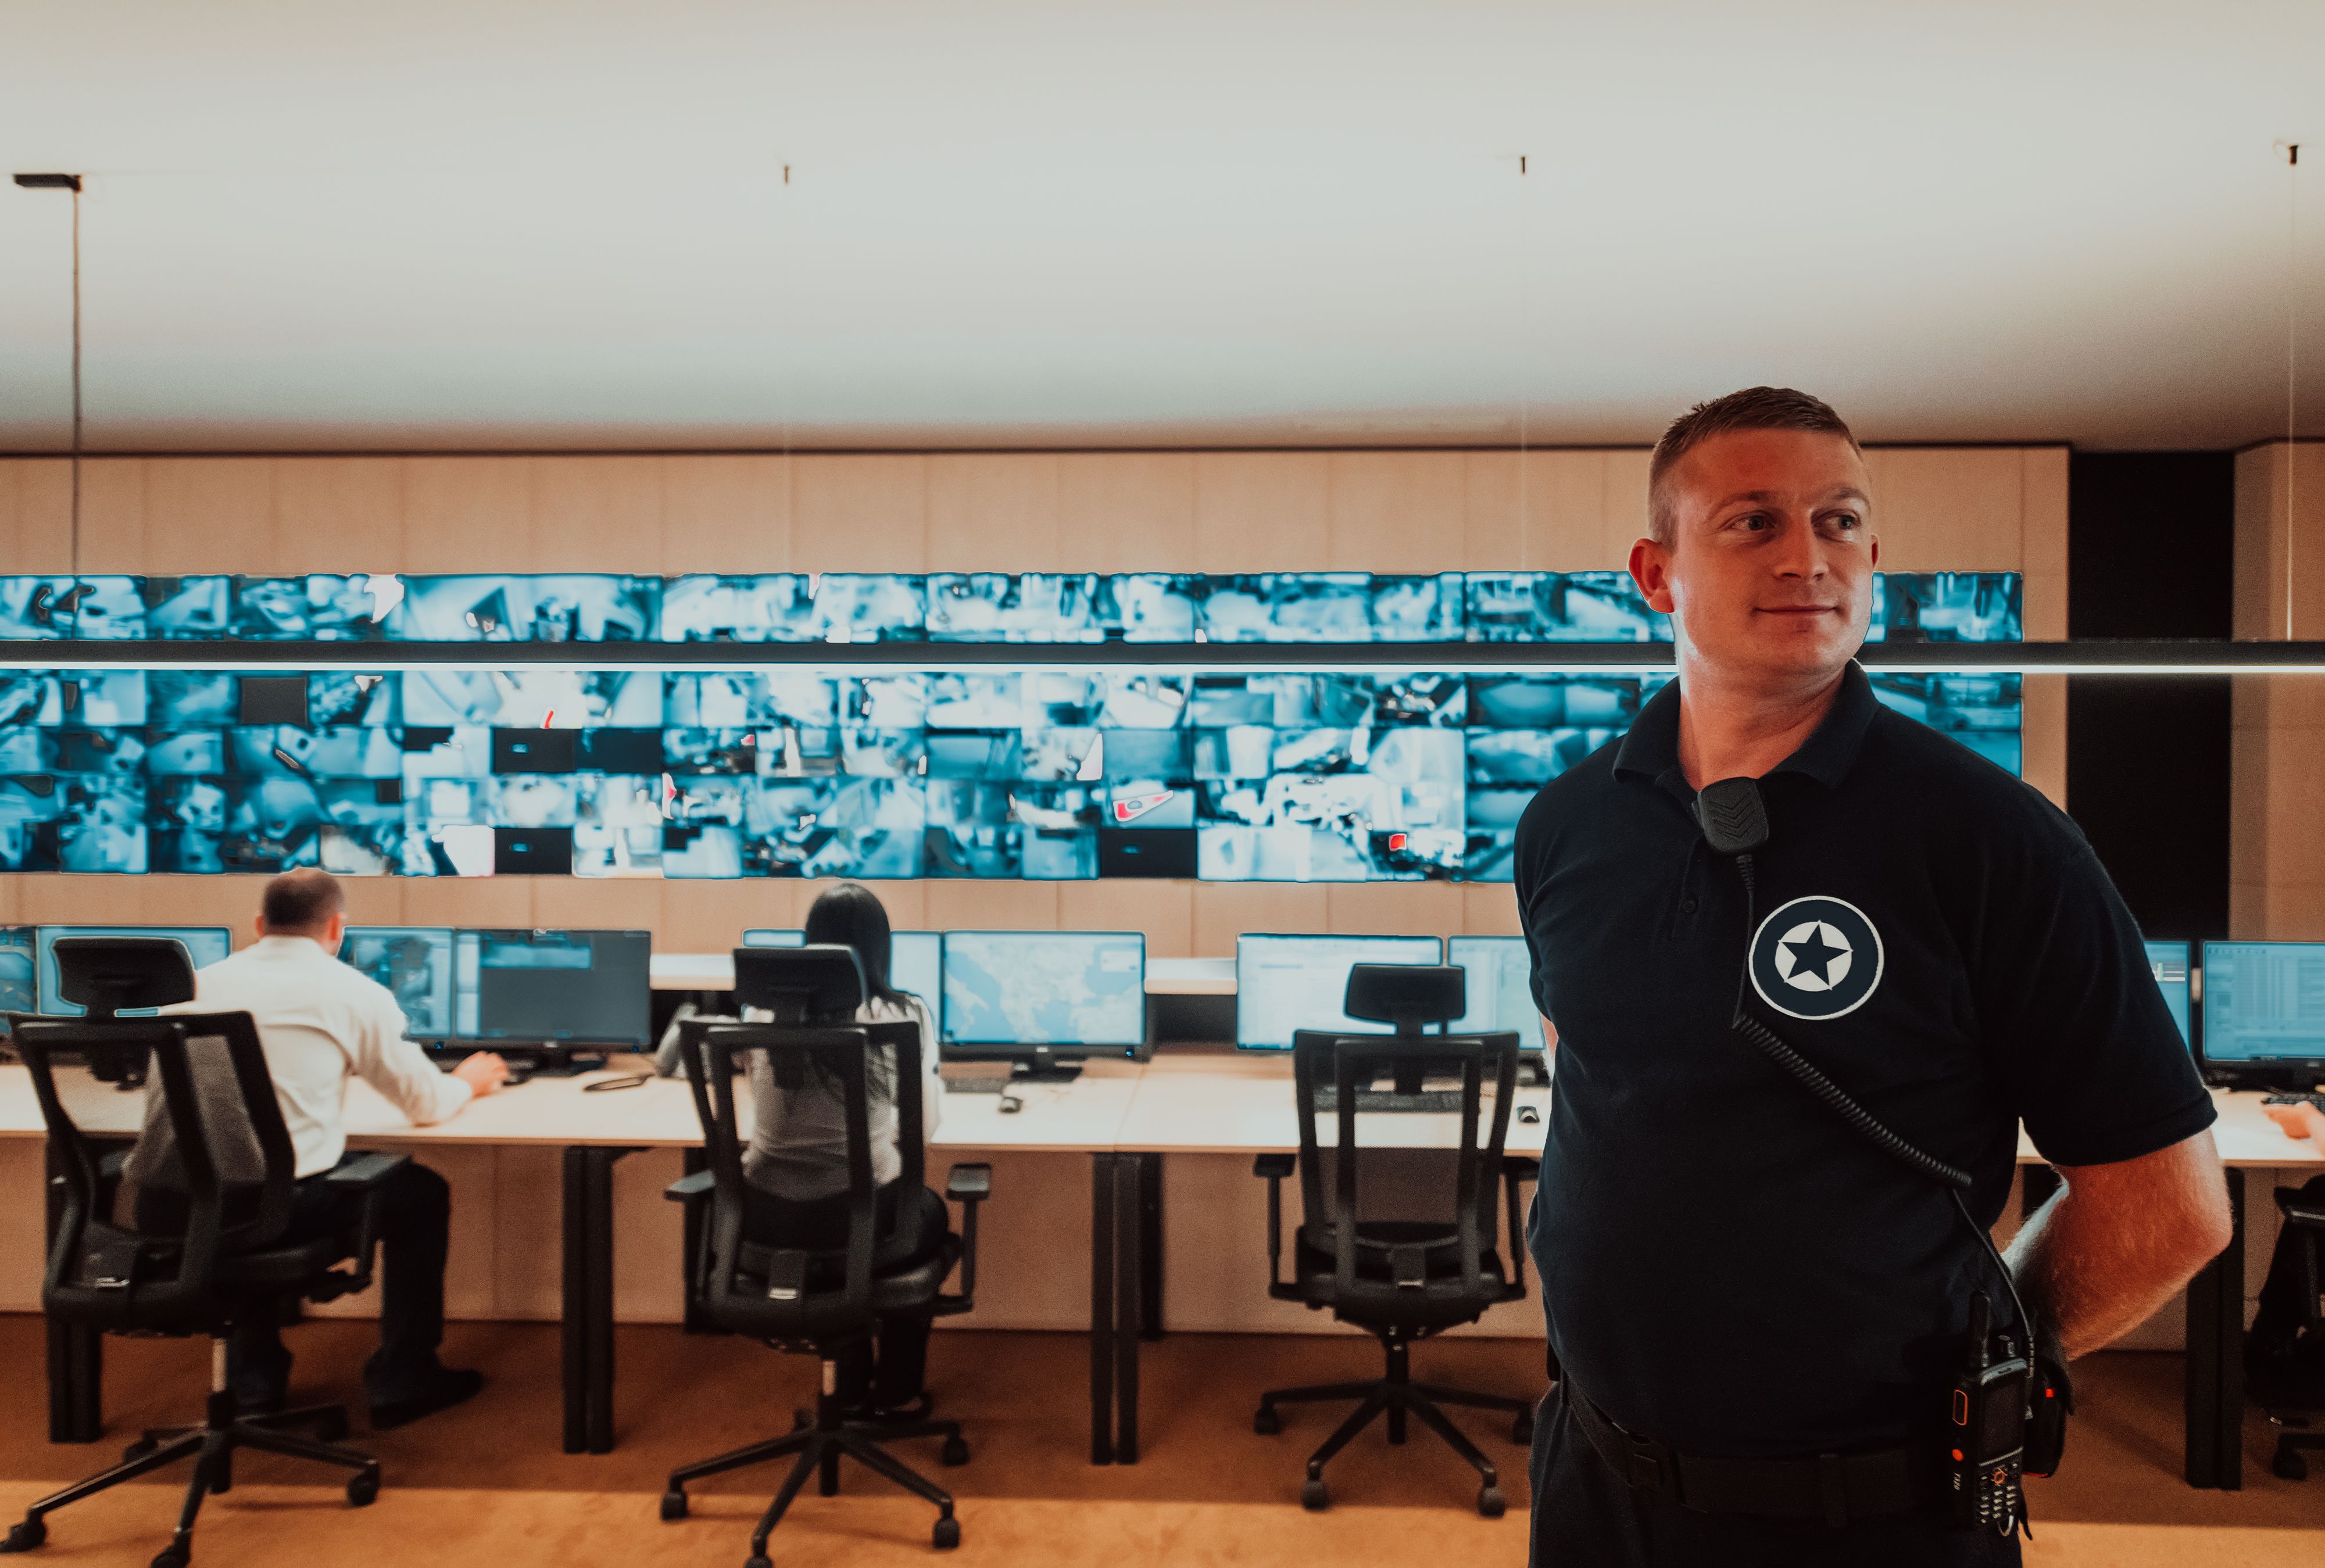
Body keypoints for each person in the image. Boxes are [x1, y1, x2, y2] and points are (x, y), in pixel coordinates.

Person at [1515, 388, 2233, 1566]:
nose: (1807, 555)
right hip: (1595, 1483)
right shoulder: (1562, 825)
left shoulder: (1993, 840)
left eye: (1838, 520)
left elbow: (2166, 1206)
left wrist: (1988, 1352)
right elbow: (1583, 1067)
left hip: (1872, 1516)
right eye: (1752, 520)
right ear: (1656, 573)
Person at [133, 868, 507, 1427]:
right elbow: (424, 1104)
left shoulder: (194, 986)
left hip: (167, 1205)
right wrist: (469, 1083)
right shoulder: (354, 993)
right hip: (277, 1212)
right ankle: (403, 1377)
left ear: (259, 925)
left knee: (241, 1181)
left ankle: (254, 1384)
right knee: (421, 1191)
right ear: (337, 927)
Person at [741, 882, 946, 1420]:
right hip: (859, 1223)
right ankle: (898, 1394)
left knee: (854, 1219)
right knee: (915, 1213)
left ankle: (849, 1388)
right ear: (882, 948)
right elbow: (922, 1130)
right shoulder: (902, 1014)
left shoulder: (760, 1018)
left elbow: (757, 1117)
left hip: (767, 1222)